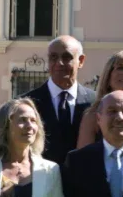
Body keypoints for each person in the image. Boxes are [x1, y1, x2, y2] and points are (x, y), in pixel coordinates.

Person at [22, 36, 96, 165]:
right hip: (41, 175)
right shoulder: (27, 103)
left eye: (67, 57)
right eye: (53, 57)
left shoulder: (96, 102)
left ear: (81, 61)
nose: (59, 63)